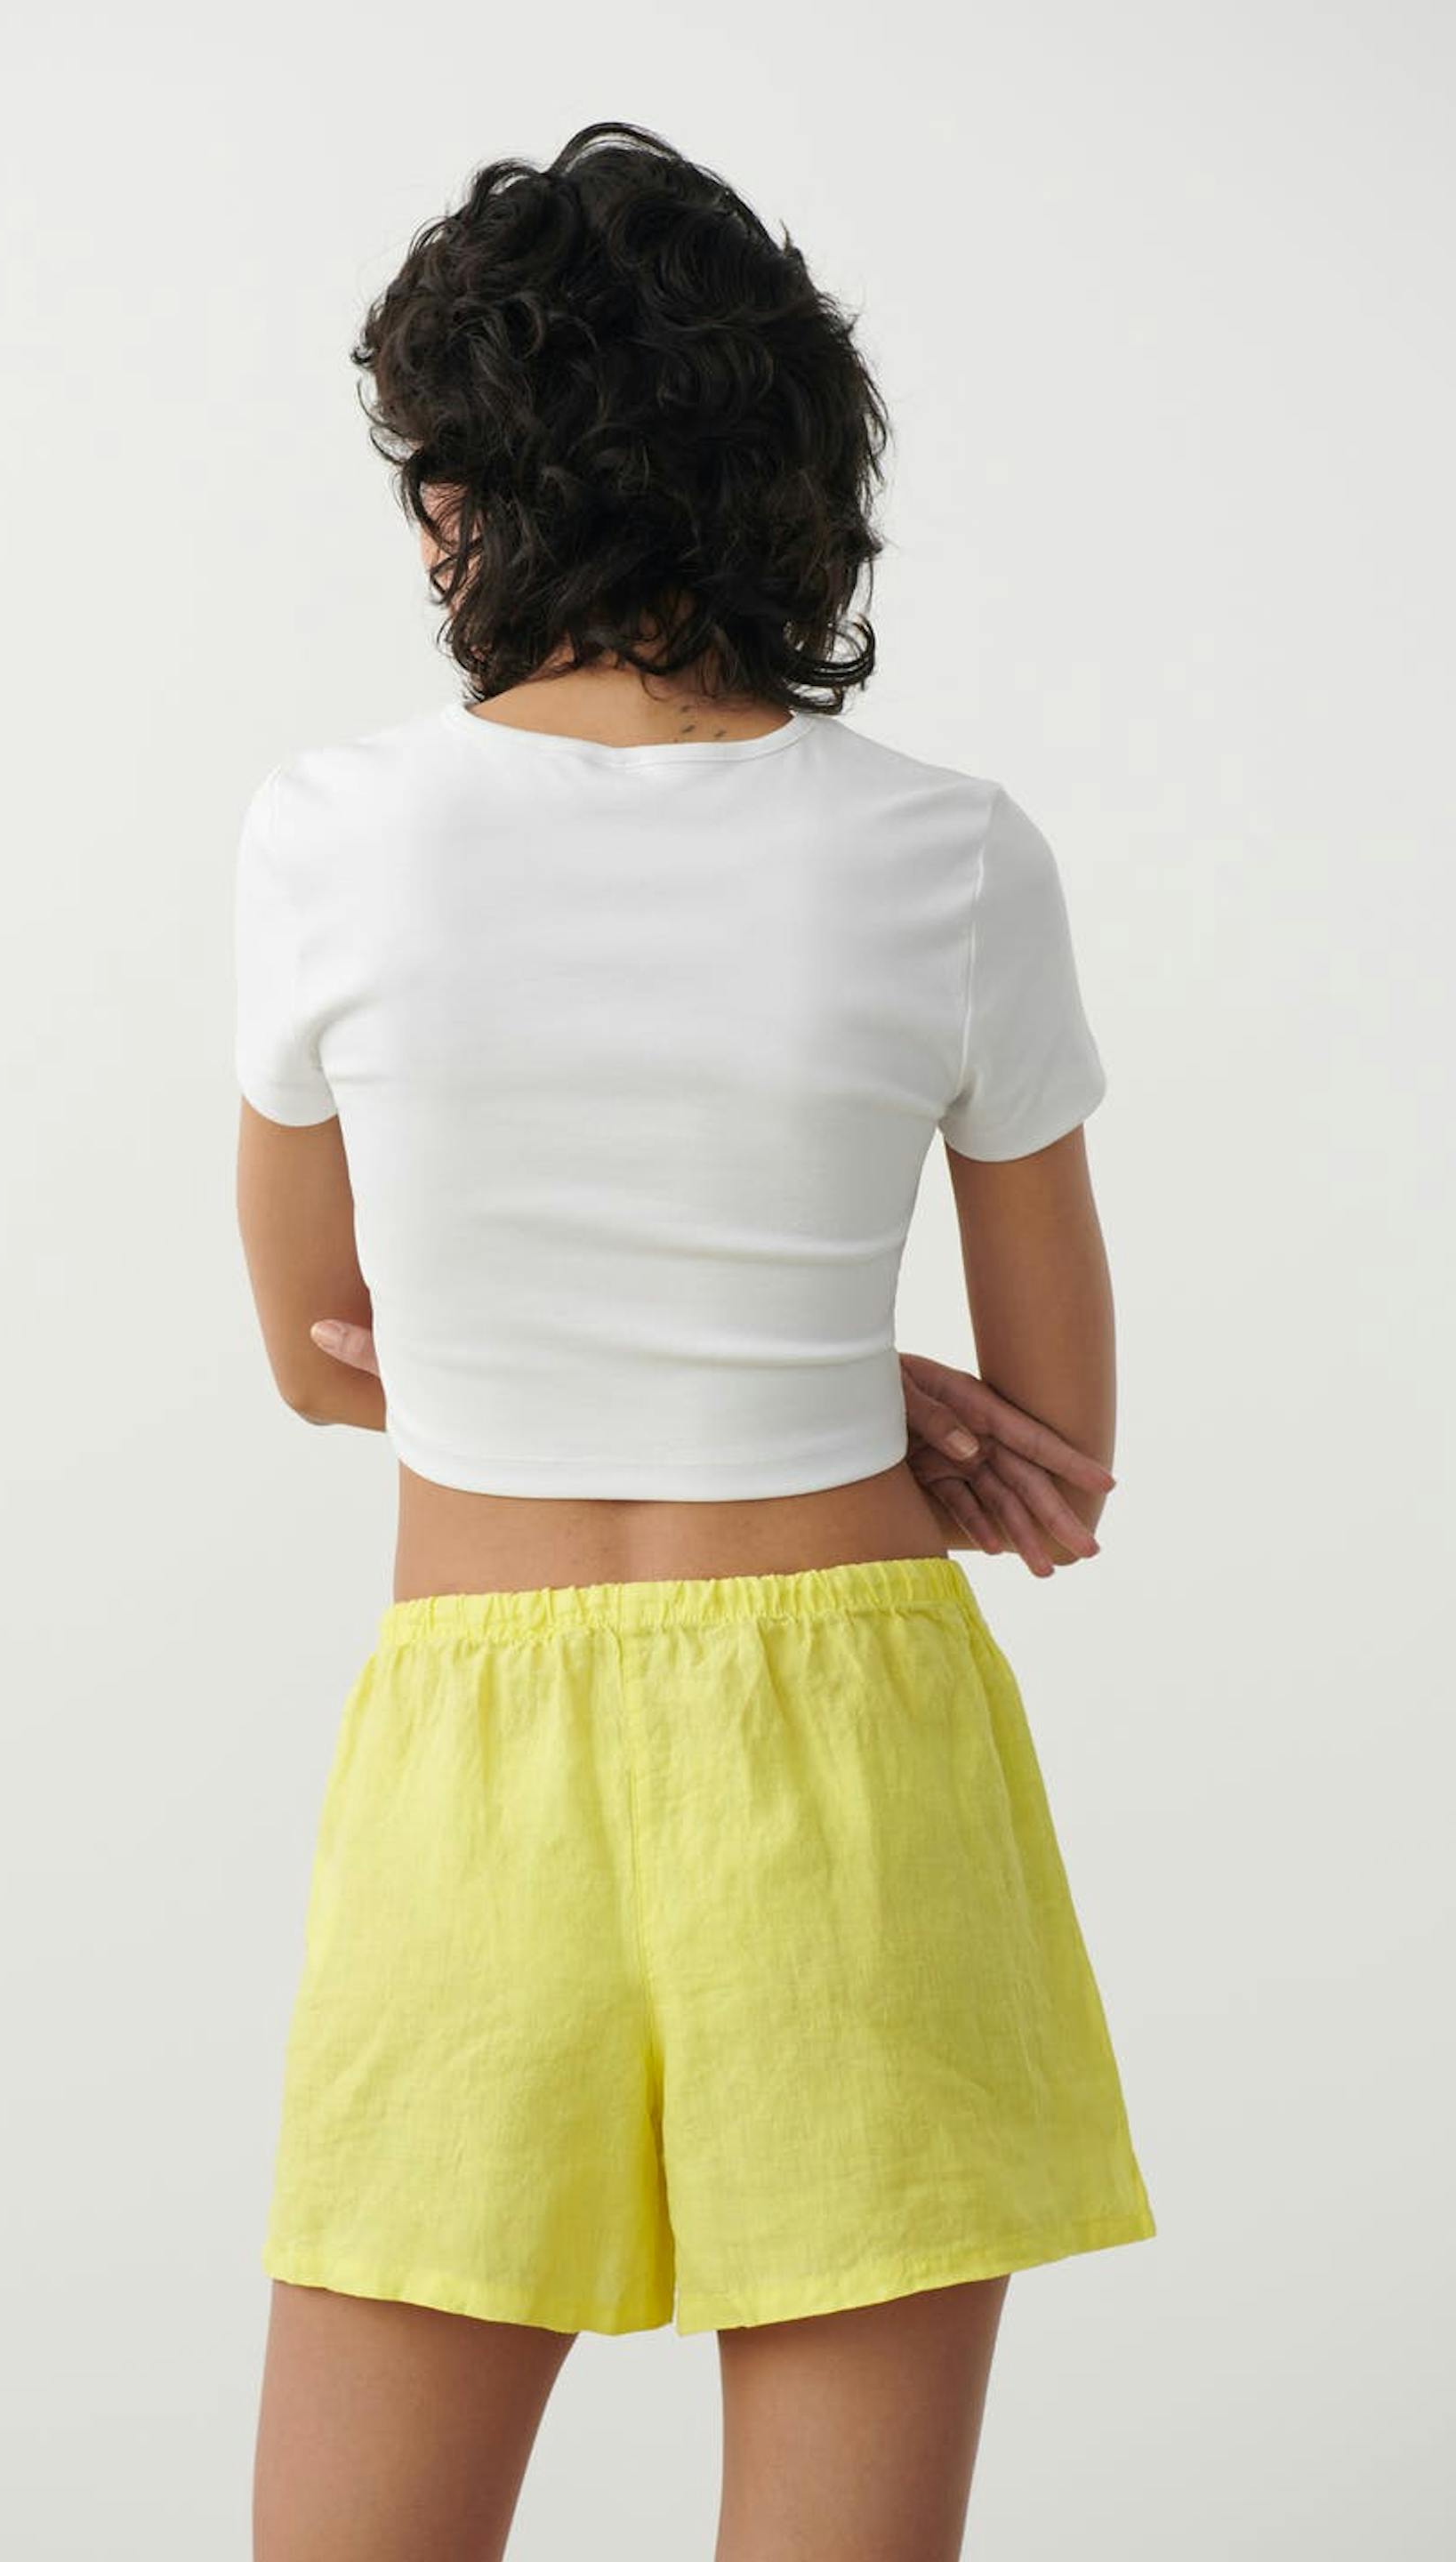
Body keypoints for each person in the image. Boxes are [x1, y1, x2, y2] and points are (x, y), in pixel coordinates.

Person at [235, 119, 1154, 2562]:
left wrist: (567, 1347)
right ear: (790, 472)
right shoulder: (952, 853)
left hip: (476, 1756)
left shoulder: (332, 834)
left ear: (472, 490)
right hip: (857, 1744)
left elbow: (323, 1350)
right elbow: (1059, 1441)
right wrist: (847, 1388)